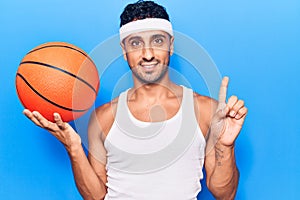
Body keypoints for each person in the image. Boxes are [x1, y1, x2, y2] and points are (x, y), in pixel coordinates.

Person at [23, 1, 248, 199]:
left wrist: (226, 145)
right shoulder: (103, 117)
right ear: (124, 50)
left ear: (170, 45)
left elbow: (224, 194)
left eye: (157, 41)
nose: (147, 54)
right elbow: (96, 196)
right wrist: (73, 147)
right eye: (136, 43)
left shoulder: (205, 110)